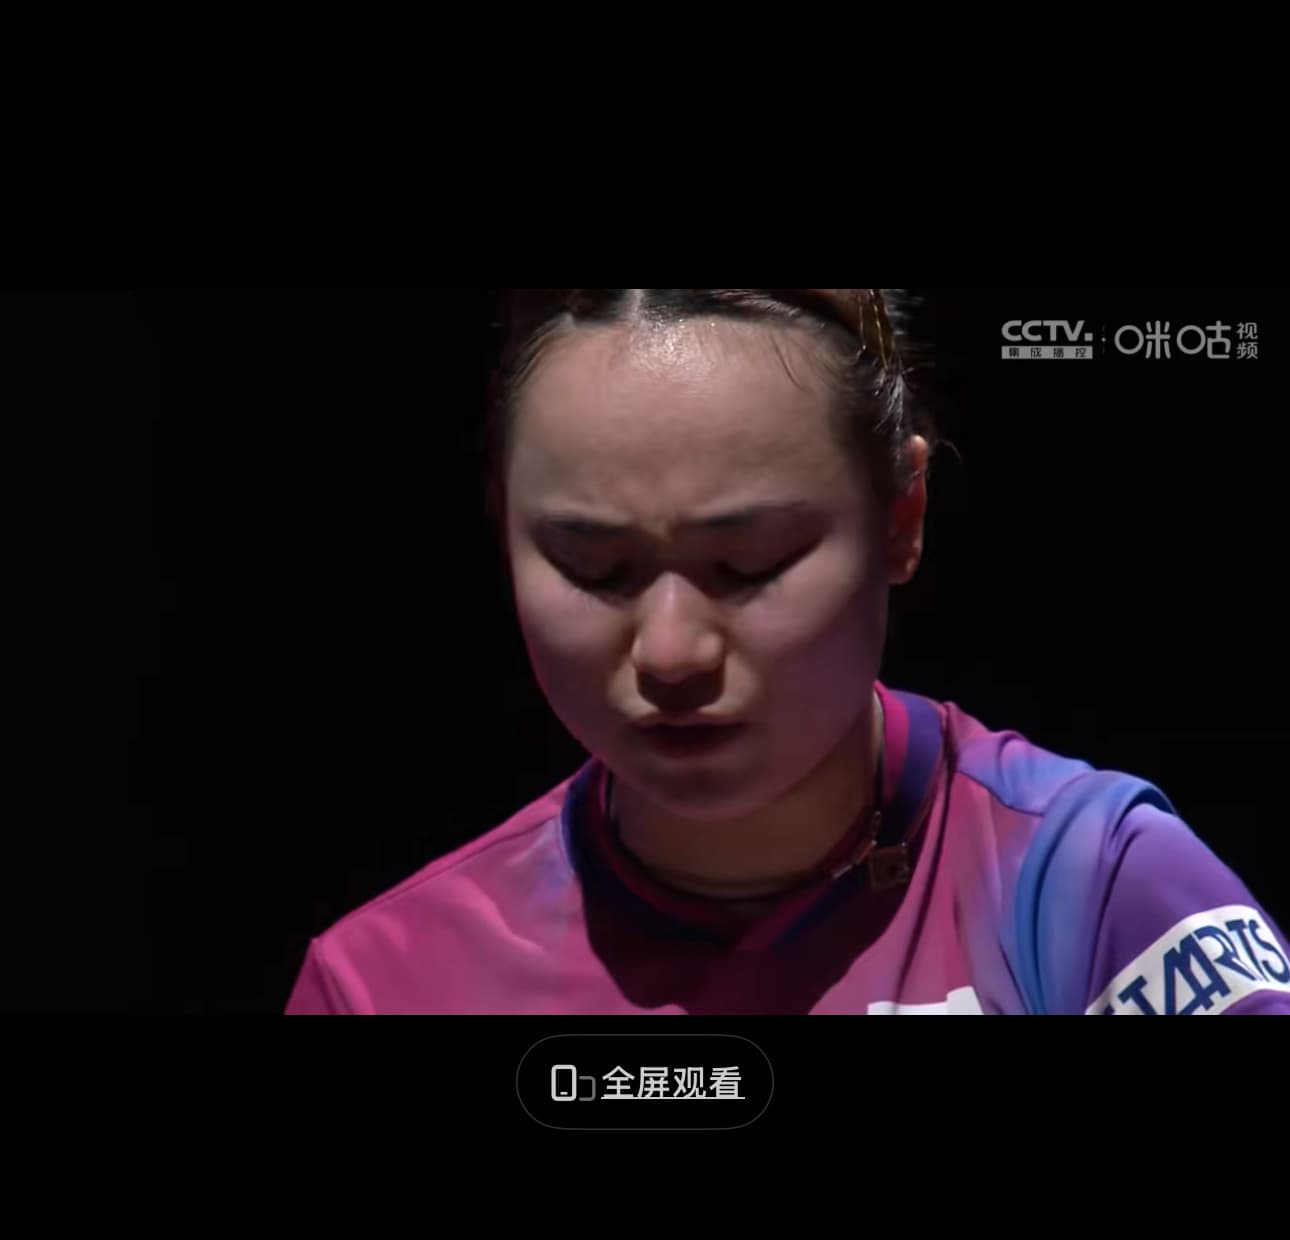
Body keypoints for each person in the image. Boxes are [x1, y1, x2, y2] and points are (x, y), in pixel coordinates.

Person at [286, 288, 1290, 1015]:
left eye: (749, 563)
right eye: (593, 567)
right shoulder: (382, 985)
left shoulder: (1100, 893)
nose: (671, 652)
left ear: (902, 517)